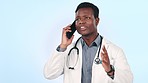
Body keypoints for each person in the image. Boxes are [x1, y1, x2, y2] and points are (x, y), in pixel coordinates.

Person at [44, 2, 133, 83]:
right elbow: (49, 74)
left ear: (97, 21)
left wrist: (109, 70)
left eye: (86, 18)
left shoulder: (115, 51)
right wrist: (63, 46)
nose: (81, 22)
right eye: (78, 19)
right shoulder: (68, 50)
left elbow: (128, 80)